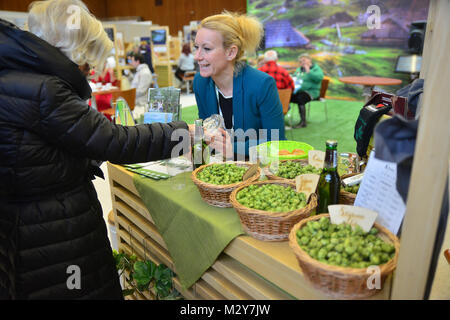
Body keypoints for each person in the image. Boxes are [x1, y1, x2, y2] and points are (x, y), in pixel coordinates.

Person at [0, 0, 189, 300]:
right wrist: (184, 134)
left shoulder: (17, 77)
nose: (89, 70)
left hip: (31, 231)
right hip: (57, 234)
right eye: (88, 60)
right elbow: (116, 141)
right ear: (74, 51)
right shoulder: (45, 90)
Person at [193, 11, 286, 160]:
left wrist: (233, 149)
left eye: (207, 48)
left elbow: (277, 141)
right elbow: (206, 129)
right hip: (218, 167)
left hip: (256, 167)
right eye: (196, 47)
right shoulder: (200, 83)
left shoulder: (262, 84)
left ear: (231, 52)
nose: (197, 56)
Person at [290, 53, 324, 128]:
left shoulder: (316, 68)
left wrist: (309, 71)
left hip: (311, 92)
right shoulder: (299, 69)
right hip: (298, 91)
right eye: (300, 61)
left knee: (300, 98)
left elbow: (319, 78)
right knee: (287, 97)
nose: (302, 62)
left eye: (304, 60)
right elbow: (295, 78)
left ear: (310, 60)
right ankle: (282, 118)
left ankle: (303, 122)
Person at [130, 52, 153, 117]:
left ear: (137, 61)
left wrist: (129, 95)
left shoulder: (145, 73)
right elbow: (135, 84)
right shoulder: (140, 71)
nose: (131, 63)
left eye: (132, 61)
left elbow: (141, 91)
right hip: (135, 101)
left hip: (140, 105)